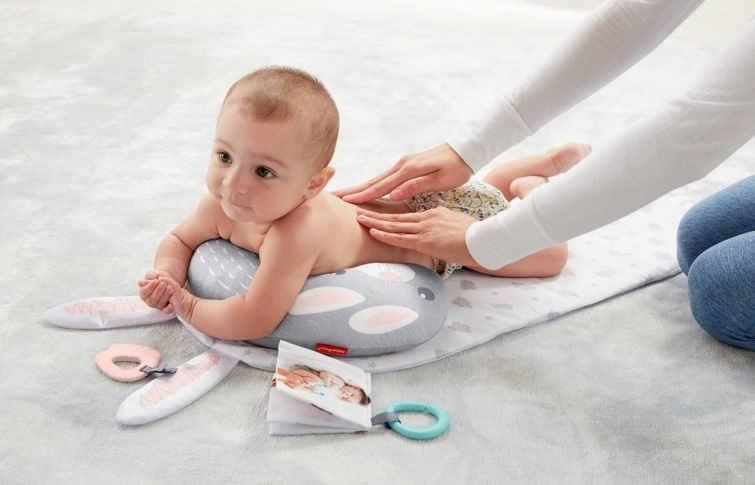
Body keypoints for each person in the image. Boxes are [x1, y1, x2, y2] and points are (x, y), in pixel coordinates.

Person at [334, 1, 755, 349]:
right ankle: (533, 177)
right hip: (453, 214)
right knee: (697, 237)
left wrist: (486, 242)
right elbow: (632, 17)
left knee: (721, 293)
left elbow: (695, 132)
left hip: (455, 227)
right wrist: (467, 148)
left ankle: (535, 177)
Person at [137, 66, 588, 341]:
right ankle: (521, 174)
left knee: (551, 256)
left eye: (263, 172)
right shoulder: (217, 205)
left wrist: (186, 305)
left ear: (313, 185)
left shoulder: (294, 234)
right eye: (224, 157)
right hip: (425, 201)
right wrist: (166, 275)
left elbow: (254, 318)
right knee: (484, 191)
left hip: (444, 239)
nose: (233, 184)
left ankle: (531, 187)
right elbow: (179, 240)